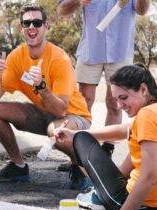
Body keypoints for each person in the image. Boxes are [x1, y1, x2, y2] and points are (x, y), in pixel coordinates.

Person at [54, 64, 157, 210]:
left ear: (143, 89)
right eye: (116, 99)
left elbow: (149, 178)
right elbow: (126, 129)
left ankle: (101, 196)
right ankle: (104, 191)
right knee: (83, 135)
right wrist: (76, 132)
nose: (119, 105)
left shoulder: (147, 116)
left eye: (124, 97)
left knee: (81, 140)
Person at [0, 3, 92, 190]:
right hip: (42, 112)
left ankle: (81, 167)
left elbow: (61, 110)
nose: (31, 27)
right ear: (20, 27)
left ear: (46, 26)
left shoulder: (59, 59)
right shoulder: (16, 57)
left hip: (73, 116)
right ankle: (19, 167)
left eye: (37, 22)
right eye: (26, 23)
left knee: (56, 131)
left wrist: (41, 87)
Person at [57, 0, 151, 156]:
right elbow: (62, 10)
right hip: (90, 51)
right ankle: (78, 155)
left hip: (119, 53)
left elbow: (142, 10)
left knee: (115, 104)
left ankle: (106, 152)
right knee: (83, 103)